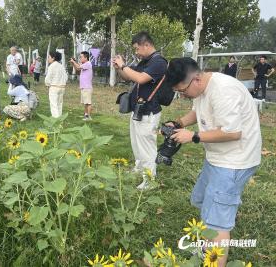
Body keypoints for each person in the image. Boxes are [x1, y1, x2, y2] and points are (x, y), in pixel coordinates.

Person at [165, 57, 261, 267]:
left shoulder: (224, 90)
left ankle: (215, 251)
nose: (182, 95)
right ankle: (219, 220)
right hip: (218, 158)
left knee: (217, 222)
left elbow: (233, 132)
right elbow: (197, 111)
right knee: (200, 199)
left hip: (234, 160)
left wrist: (193, 136)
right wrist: (179, 122)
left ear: (196, 79)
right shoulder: (201, 88)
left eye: (182, 91)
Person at [112, 31, 167, 190]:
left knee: (147, 146)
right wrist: (119, 68)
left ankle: (150, 179)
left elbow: (141, 78)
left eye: (137, 49)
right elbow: (128, 77)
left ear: (147, 45)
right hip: (138, 109)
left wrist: (123, 65)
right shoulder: (146, 61)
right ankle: (139, 168)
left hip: (149, 111)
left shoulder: (159, 62)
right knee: (137, 143)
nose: (136, 52)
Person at [70, 51, 93, 121]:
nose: (80, 58)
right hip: (84, 87)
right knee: (85, 102)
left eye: (81, 57)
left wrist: (73, 62)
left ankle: (89, 117)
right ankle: (86, 115)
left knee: (88, 102)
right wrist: (73, 63)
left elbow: (79, 67)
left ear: (86, 57)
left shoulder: (88, 63)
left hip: (87, 87)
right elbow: (77, 68)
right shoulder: (84, 64)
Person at [45, 51, 68, 118]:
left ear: (53, 58)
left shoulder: (52, 66)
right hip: (62, 87)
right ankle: (60, 120)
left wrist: (47, 84)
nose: (48, 59)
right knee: (59, 104)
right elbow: (66, 77)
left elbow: (48, 78)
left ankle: (56, 122)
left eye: (49, 57)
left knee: (54, 105)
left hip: (54, 87)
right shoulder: (61, 66)